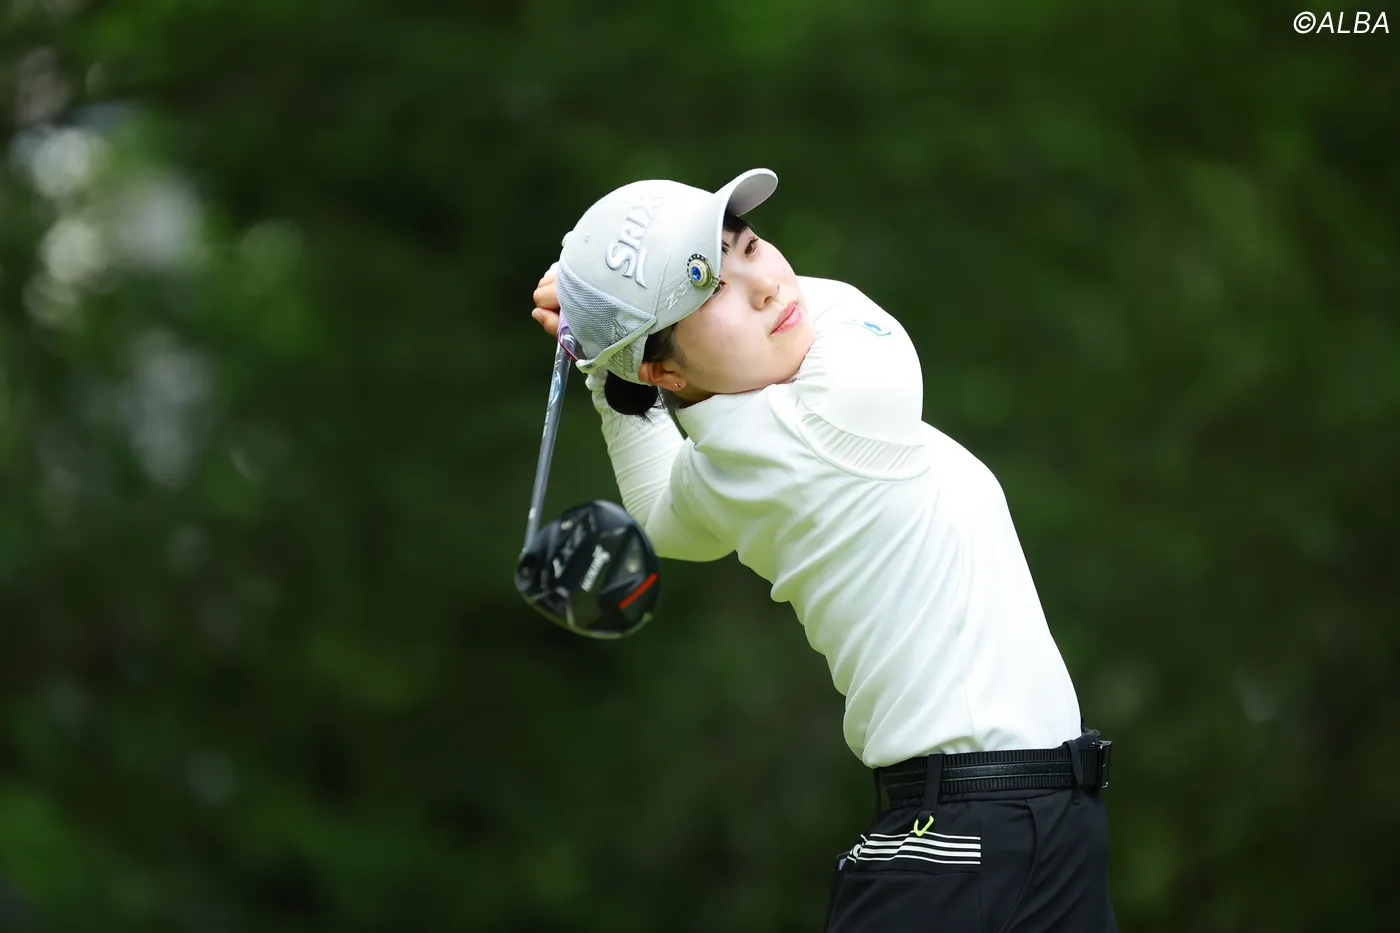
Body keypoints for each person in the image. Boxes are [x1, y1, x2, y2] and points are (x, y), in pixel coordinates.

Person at [528, 168, 1117, 932]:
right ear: (664, 370)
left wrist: (603, 360)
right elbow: (824, 309)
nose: (768, 285)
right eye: (712, 289)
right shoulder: (841, 402)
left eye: (750, 246)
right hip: (972, 833)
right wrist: (603, 339)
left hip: (1028, 824)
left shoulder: (725, 467)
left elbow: (658, 513)